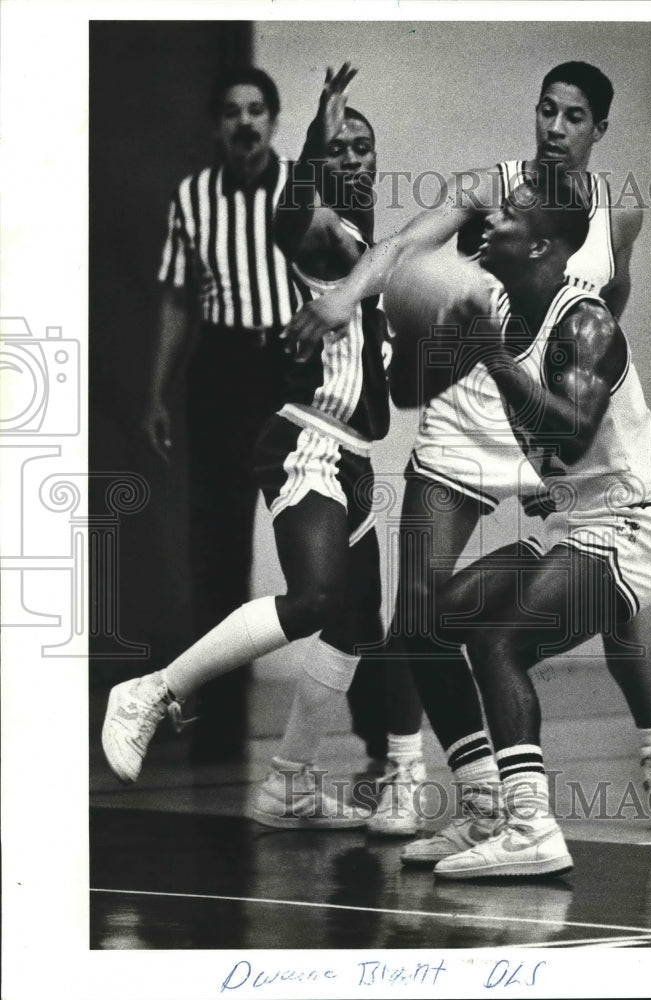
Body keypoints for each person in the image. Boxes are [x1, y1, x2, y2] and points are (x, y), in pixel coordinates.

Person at [283, 62, 651, 858]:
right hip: (485, 424)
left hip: (571, 452)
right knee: (428, 614)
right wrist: (354, 299)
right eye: (546, 110)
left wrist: (567, 376)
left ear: (598, 129)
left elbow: (598, 326)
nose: (554, 127)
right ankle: (465, 790)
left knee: (580, 611)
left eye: (573, 115)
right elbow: (401, 260)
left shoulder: (605, 236)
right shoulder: (492, 197)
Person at [103, 65, 397, 829]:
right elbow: (286, 218)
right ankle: (154, 689)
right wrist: (312, 141)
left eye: (364, 148)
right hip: (309, 439)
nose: (354, 160)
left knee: (357, 624)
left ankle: (290, 783)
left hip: (354, 449)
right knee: (315, 598)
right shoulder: (327, 237)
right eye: (343, 149)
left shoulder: (368, 250)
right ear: (321, 162)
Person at [390, 176, 651, 877]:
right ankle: (484, 809)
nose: (489, 219)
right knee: (422, 621)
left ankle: (531, 827)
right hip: (577, 523)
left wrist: (491, 359)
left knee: (501, 638)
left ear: (547, 246)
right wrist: (417, 330)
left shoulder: (583, 322)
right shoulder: (495, 309)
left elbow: (575, 435)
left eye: (509, 214)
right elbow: (403, 395)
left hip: (631, 528)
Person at [147, 66, 300, 763]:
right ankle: (215, 722)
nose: (245, 122)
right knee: (217, 553)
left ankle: (358, 730)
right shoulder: (193, 196)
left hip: (291, 369)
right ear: (218, 125)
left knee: (321, 545)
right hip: (221, 373)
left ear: (273, 121)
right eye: (232, 111)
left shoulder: (303, 188)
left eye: (257, 110)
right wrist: (156, 391)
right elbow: (179, 302)